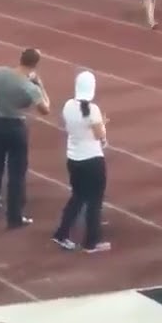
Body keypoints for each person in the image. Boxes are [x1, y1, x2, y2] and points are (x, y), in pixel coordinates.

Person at [0, 48, 50, 229]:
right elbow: (45, 109)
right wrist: (40, 84)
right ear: (35, 65)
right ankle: (14, 217)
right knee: (16, 175)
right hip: (16, 128)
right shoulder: (30, 87)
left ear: (21, 58)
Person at [52, 71, 110, 253]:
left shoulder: (68, 105)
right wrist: (103, 126)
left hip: (74, 159)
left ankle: (62, 233)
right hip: (92, 160)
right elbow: (99, 135)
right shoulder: (93, 110)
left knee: (77, 197)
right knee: (95, 201)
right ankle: (91, 242)